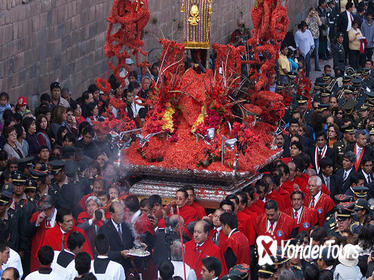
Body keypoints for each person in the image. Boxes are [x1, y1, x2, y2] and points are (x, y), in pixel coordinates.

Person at [97, 201, 134, 272]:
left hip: (126, 268)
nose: (122, 217)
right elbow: (102, 252)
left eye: (123, 214)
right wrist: (120, 254)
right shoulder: (104, 230)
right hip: (112, 268)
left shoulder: (126, 226)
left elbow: (131, 243)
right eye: (119, 215)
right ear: (111, 214)